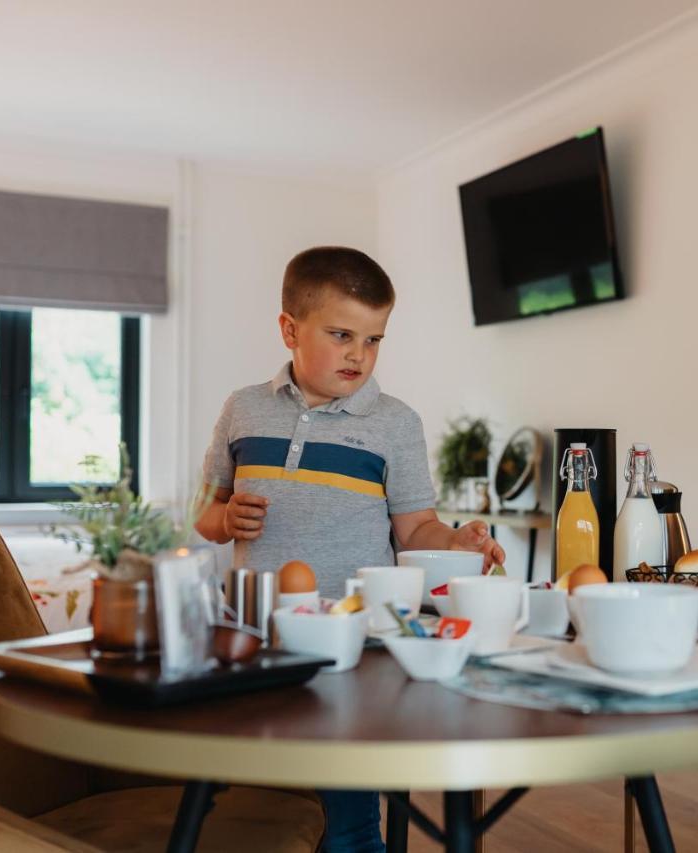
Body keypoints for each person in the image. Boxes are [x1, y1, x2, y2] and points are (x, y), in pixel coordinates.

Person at [195, 246, 505, 852]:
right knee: (254, 792)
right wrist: (226, 516)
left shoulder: (396, 422)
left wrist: (460, 541)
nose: (359, 355)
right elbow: (202, 514)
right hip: (258, 638)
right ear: (290, 330)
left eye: (373, 339)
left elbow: (416, 530)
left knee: (350, 807)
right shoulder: (243, 408)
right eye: (341, 335)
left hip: (357, 643)